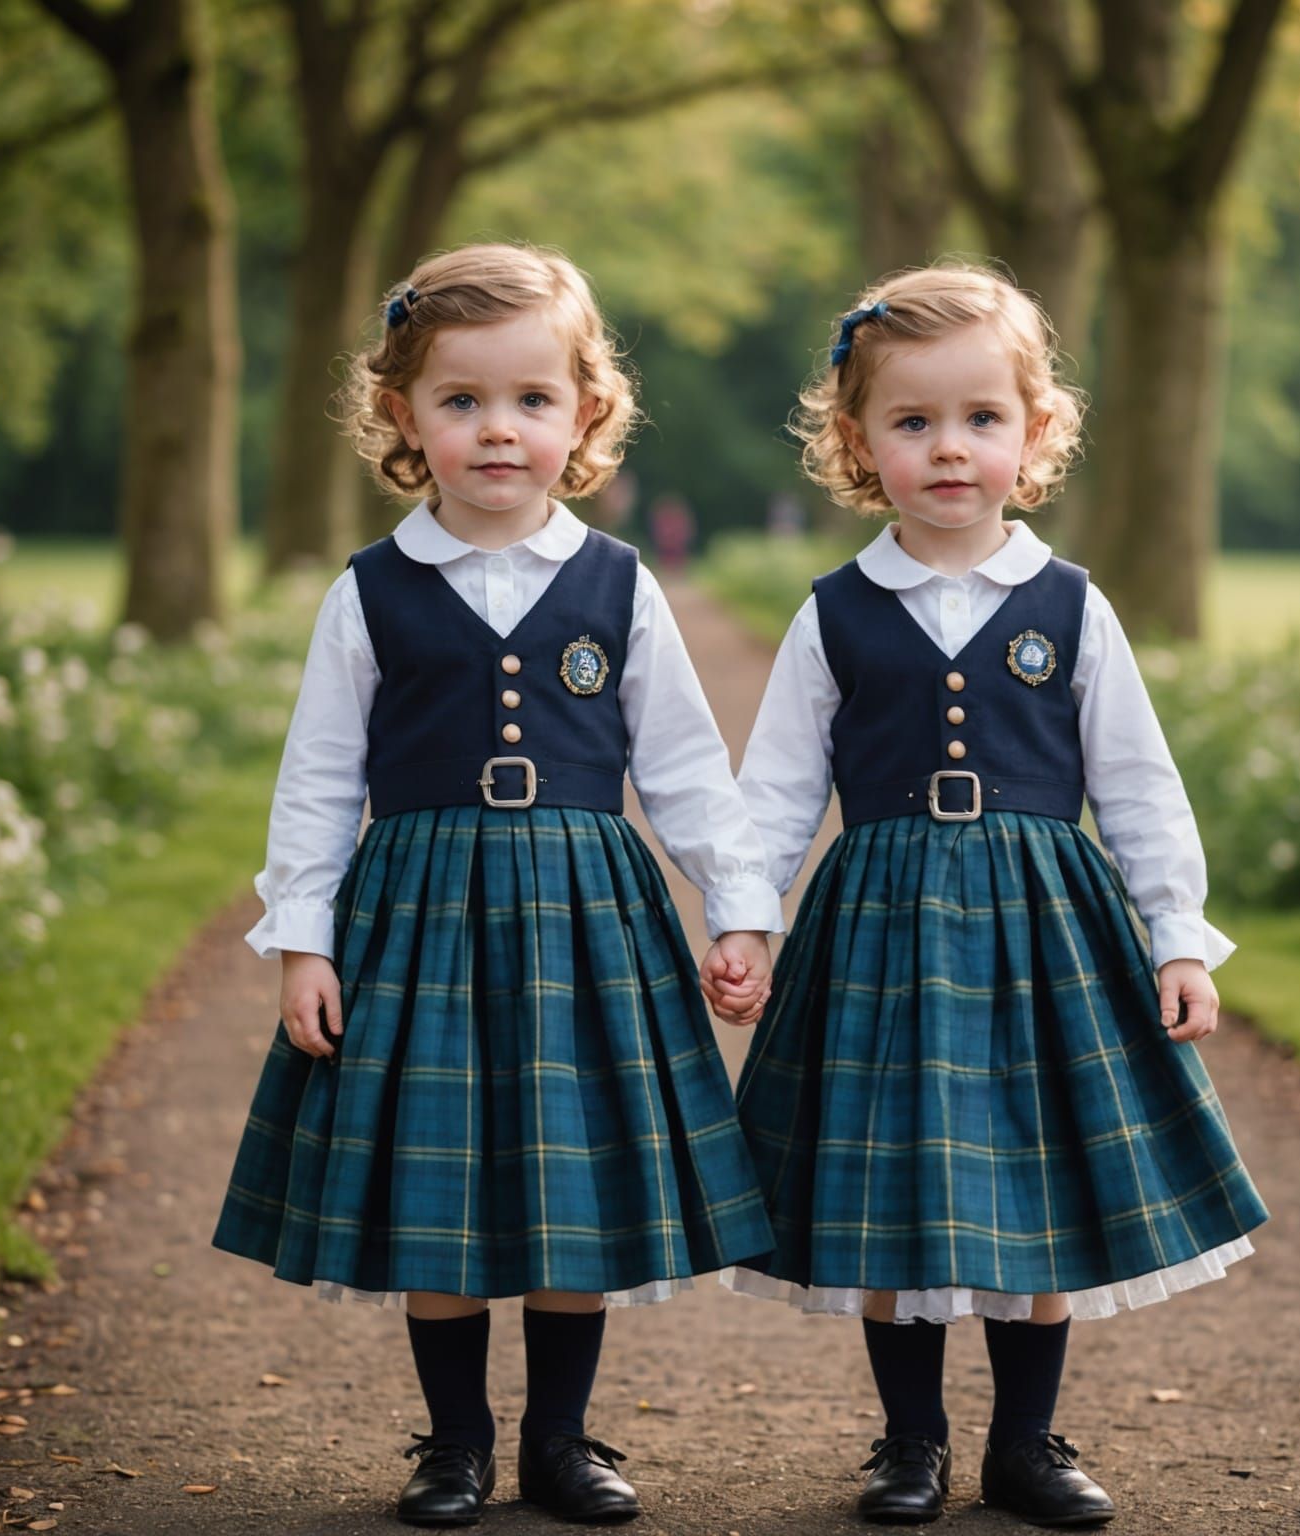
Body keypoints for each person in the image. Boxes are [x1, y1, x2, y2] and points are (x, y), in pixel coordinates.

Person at [212, 243, 777, 1528]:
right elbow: (318, 779)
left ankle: (559, 1441)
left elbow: (687, 771)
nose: (498, 429)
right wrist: (304, 941)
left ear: (585, 414)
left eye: (531, 399)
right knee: (442, 1189)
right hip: (417, 920)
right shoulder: (369, 592)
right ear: (403, 415)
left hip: (585, 918)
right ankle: (455, 1444)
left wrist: (738, 908)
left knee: (570, 1186)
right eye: (461, 400)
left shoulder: (618, 583)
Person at [720, 261, 1269, 1527]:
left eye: (981, 419)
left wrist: (1179, 939)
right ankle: (910, 1442)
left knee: (1036, 1175)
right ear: (859, 440)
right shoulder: (835, 614)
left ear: (1036, 430)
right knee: (893, 1180)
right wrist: (746, 920)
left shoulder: (1071, 606)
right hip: (880, 932)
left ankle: (1026, 1443)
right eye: (914, 422)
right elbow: (775, 793)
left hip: (1045, 930)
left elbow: (1139, 786)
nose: (950, 449)